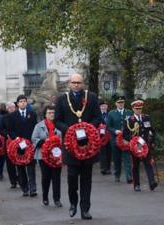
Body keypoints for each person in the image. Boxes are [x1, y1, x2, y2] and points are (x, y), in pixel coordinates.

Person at [55, 73, 101, 220]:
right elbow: (57, 120)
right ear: (70, 83)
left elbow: (98, 118)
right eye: (74, 82)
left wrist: (88, 129)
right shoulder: (62, 99)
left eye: (79, 82)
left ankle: (85, 209)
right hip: (71, 145)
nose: (76, 85)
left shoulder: (91, 97)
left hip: (88, 145)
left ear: (83, 83)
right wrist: (69, 130)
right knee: (72, 178)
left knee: (86, 180)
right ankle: (73, 202)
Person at [123, 100, 158, 192]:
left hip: (146, 145)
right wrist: (132, 140)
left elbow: (152, 131)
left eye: (140, 109)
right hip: (135, 146)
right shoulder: (129, 120)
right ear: (133, 109)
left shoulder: (146, 118)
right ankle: (137, 184)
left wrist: (153, 141)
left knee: (148, 164)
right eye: (137, 109)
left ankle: (152, 182)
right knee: (135, 165)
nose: (138, 110)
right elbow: (125, 134)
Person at [32, 105, 62, 207]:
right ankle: (45, 197)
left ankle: (57, 199)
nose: (51, 114)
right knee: (46, 177)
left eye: (53, 113)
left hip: (57, 156)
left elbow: (63, 139)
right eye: (49, 113)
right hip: (43, 156)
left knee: (56, 178)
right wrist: (45, 142)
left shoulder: (58, 125)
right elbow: (34, 138)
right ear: (45, 114)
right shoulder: (39, 126)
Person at [8, 95, 38, 197]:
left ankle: (33, 188)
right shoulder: (12, 115)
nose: (23, 103)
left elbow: (35, 128)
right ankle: (24, 188)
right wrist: (16, 138)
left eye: (24, 101)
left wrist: (33, 141)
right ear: (17, 104)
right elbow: (10, 130)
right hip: (18, 145)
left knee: (31, 167)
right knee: (20, 168)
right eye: (21, 101)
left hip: (30, 145)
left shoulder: (32, 114)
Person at [107, 96, 133, 183]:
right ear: (116, 104)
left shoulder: (129, 112)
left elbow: (133, 125)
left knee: (127, 158)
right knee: (116, 158)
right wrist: (115, 131)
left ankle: (129, 176)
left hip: (126, 139)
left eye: (122, 102)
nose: (120, 104)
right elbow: (108, 126)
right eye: (119, 103)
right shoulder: (111, 113)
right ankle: (117, 175)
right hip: (115, 139)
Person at [0, 102, 18, 188]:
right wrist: (6, 134)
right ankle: (13, 181)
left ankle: (21, 180)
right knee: (10, 162)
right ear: (7, 108)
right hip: (9, 142)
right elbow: (0, 129)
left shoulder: (19, 116)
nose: (11, 108)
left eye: (13, 107)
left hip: (18, 141)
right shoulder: (4, 118)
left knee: (20, 160)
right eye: (9, 107)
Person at [99, 100, 112, 175]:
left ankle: (108, 168)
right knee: (102, 152)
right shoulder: (97, 114)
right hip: (100, 135)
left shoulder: (110, 114)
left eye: (105, 106)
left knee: (109, 152)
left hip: (109, 135)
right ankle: (103, 168)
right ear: (99, 107)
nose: (104, 107)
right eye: (102, 106)